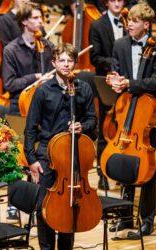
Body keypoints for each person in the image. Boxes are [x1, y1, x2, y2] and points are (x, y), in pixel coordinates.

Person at [24, 43, 97, 250]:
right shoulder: (43, 91)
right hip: (47, 152)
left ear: (75, 62)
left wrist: (82, 126)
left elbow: (92, 119)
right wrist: (32, 160)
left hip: (73, 153)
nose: (66, 64)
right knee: (43, 207)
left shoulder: (83, 88)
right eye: (62, 60)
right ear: (54, 62)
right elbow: (30, 128)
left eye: (70, 60)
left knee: (69, 205)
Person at [105, 2, 156, 238]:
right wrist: (114, 79)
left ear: (146, 24)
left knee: (149, 171)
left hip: (150, 115)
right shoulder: (121, 44)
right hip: (127, 111)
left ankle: (146, 219)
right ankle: (125, 217)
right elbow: (116, 70)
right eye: (129, 21)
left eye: (135, 21)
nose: (130, 25)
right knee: (125, 159)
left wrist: (131, 84)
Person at [89, 0, 127, 191]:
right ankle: (102, 172)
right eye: (113, 0)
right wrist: (117, 65)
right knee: (105, 128)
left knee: (125, 128)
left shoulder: (129, 21)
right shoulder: (97, 25)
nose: (118, 3)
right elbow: (94, 57)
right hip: (106, 82)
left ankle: (122, 170)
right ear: (107, 3)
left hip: (125, 83)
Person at [2, 3, 53, 115]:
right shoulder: (11, 50)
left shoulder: (48, 46)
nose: (40, 21)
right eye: (35, 18)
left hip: (46, 103)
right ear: (24, 21)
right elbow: (9, 84)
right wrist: (35, 77)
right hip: (20, 104)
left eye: (41, 17)